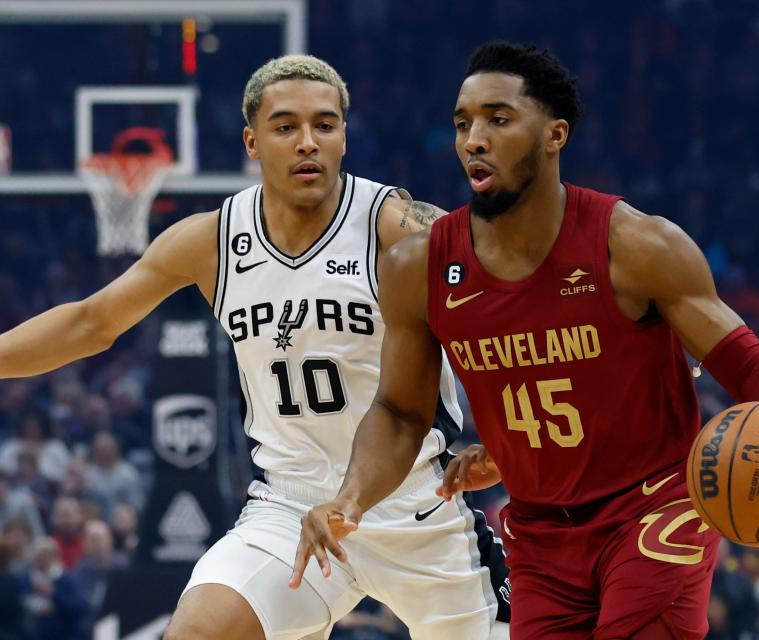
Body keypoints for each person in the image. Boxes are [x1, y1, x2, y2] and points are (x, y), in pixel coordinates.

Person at [292, 41, 759, 639]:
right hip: (539, 532)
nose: (473, 139)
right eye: (462, 122)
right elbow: (401, 412)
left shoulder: (635, 245)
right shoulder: (417, 267)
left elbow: (744, 359)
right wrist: (349, 499)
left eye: (497, 119)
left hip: (653, 507)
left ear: (555, 135)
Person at [0, 55, 509, 640]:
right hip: (291, 507)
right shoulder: (212, 239)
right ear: (252, 140)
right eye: (286, 126)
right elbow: (91, 323)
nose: (307, 143)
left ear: (344, 135)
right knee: (194, 633)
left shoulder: (394, 226)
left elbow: (503, 316)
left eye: (324, 124)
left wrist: (499, 438)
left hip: (418, 503)